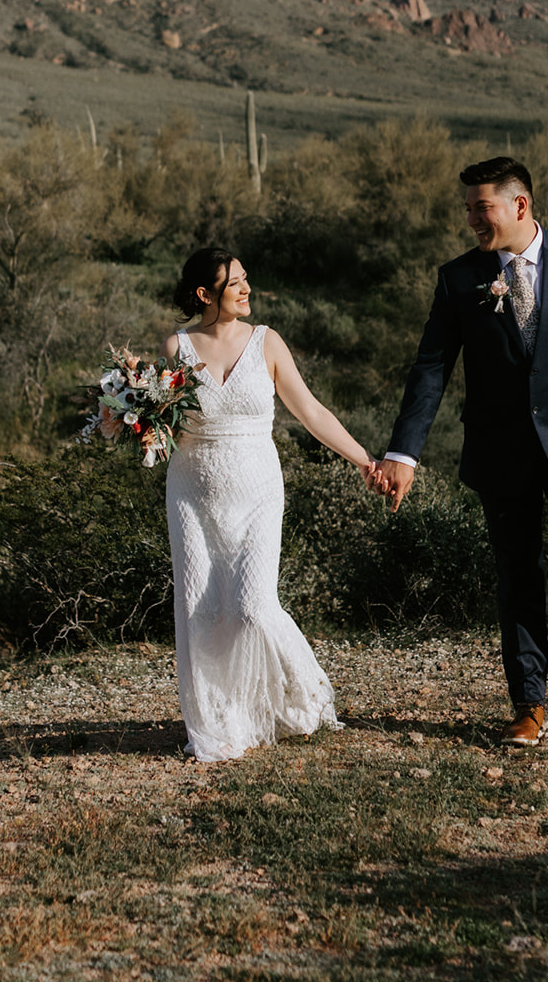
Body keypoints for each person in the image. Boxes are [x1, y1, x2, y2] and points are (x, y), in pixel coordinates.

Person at [377, 156, 548, 748]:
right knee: (517, 576)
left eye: (483, 207)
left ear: (518, 206)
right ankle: (528, 703)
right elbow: (430, 370)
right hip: (501, 449)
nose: (472, 219)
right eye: (468, 208)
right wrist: (404, 453)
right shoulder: (458, 279)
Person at [162, 247, 379, 763]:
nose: (246, 289)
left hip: (258, 489)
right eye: (234, 283)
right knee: (202, 608)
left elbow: (311, 411)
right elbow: (164, 424)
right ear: (204, 294)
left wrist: (364, 460)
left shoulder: (267, 342)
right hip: (193, 493)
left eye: (245, 279)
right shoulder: (177, 347)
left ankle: (299, 694)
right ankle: (222, 722)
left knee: (251, 608)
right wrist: (129, 421)